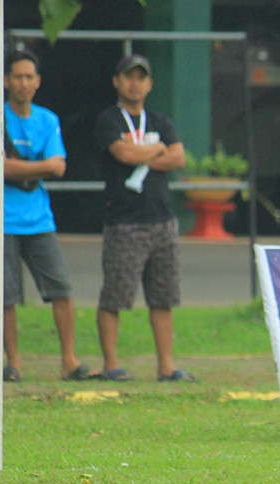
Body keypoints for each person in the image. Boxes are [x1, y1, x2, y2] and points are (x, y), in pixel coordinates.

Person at [0, 49, 99, 383]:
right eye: (17, 76)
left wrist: (20, 168)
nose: (23, 83)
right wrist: (37, 166)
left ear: (38, 81)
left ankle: (69, 361)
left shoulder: (47, 120)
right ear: (5, 80)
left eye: (30, 77)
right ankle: (12, 363)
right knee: (6, 295)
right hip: (0, 219)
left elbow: (58, 166)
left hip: (40, 219)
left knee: (61, 288)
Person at [93, 54, 195, 382]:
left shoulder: (160, 120)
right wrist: (156, 150)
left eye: (141, 77)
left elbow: (178, 157)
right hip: (124, 221)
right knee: (115, 294)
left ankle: (166, 366)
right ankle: (111, 364)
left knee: (163, 297)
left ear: (149, 84)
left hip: (162, 221)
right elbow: (122, 153)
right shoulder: (109, 120)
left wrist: (145, 152)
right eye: (128, 76)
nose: (134, 83)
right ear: (116, 81)